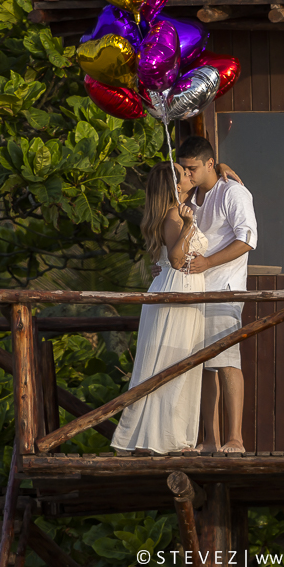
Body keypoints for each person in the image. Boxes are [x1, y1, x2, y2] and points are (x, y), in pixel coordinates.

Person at [111, 161, 207, 454]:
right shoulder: (175, 217)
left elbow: (164, 260)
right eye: (183, 173)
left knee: (177, 363)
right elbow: (178, 260)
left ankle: (168, 437)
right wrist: (189, 226)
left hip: (175, 288)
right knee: (173, 363)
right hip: (178, 290)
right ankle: (164, 440)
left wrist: (225, 166)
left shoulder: (171, 212)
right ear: (174, 186)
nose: (189, 175)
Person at [177, 136, 258, 453]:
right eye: (183, 168)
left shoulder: (233, 192)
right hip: (194, 289)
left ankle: (235, 439)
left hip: (223, 287)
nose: (187, 173)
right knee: (203, 365)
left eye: (192, 167)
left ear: (210, 164)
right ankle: (211, 440)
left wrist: (209, 262)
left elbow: (248, 239)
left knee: (226, 361)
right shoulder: (191, 194)